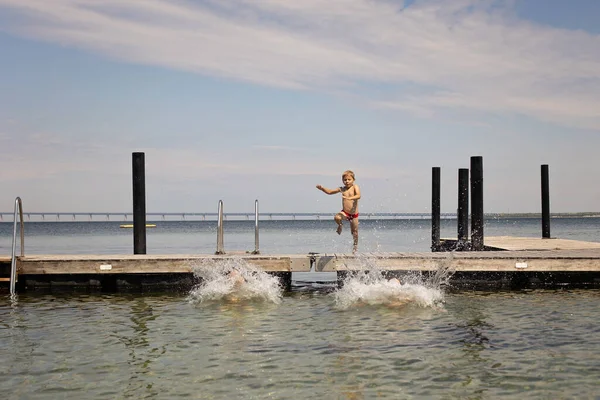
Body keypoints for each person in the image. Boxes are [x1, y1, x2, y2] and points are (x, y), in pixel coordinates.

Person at [316, 170, 361, 252]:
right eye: (345, 180)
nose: (347, 181)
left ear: (353, 180)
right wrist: (322, 188)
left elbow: (358, 195)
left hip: (354, 215)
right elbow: (330, 192)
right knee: (336, 217)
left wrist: (350, 198)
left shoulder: (355, 187)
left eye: (349, 179)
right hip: (345, 213)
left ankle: (355, 246)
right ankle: (340, 225)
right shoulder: (342, 189)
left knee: (355, 233)